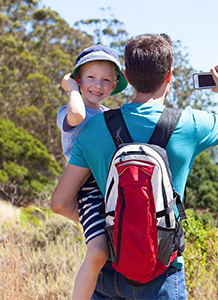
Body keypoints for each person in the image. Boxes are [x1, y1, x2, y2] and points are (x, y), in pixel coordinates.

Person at [50, 33, 218, 299]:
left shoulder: (93, 128)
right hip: (162, 273)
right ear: (169, 76)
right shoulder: (188, 124)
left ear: (127, 77)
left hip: (109, 269)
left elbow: (60, 203)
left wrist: (108, 223)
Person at [55, 44, 128, 300]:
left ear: (114, 84)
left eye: (106, 80)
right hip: (86, 188)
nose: (98, 85)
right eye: (90, 78)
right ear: (77, 79)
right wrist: (71, 88)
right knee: (98, 251)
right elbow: (77, 114)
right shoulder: (68, 112)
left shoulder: (108, 115)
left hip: (108, 186)